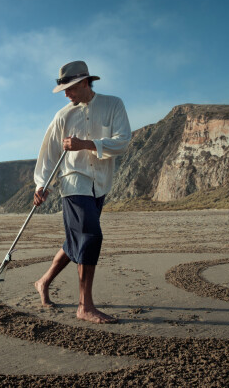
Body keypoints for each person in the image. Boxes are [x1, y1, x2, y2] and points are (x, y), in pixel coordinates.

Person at [33, 60, 131, 324]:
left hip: (100, 184)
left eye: (70, 87)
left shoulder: (114, 105)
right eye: (64, 88)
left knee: (76, 241)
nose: (66, 93)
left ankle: (43, 282)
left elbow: (123, 141)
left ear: (86, 82)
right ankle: (84, 306)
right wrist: (42, 185)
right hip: (73, 182)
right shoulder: (62, 116)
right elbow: (48, 154)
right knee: (89, 236)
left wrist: (85, 144)